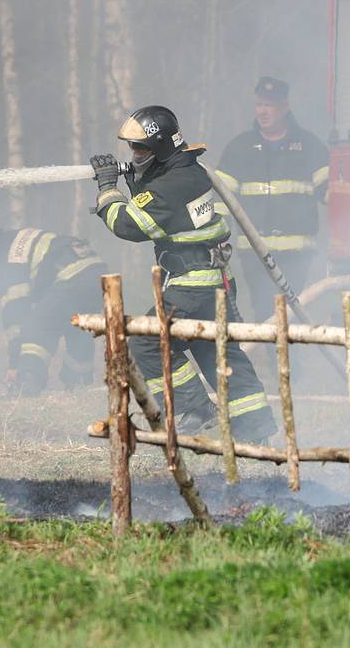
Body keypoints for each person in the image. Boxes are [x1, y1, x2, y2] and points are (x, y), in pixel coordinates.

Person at [90, 104, 277, 443]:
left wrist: (107, 191)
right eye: (132, 148)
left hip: (193, 284)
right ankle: (255, 427)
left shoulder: (172, 186)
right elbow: (167, 215)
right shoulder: (188, 173)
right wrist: (136, 183)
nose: (134, 153)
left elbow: (129, 224)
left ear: (160, 147)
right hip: (215, 279)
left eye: (141, 147)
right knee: (218, 352)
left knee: (148, 342)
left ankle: (194, 410)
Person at [215, 77, 329, 319]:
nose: (262, 111)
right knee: (265, 314)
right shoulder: (239, 148)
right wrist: (216, 238)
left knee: (294, 314)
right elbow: (221, 199)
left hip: (297, 256)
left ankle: (291, 357)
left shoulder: (309, 146)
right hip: (256, 255)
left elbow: (329, 192)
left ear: (285, 107)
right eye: (259, 105)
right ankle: (273, 356)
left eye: (269, 105)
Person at [0, 224, 105, 394]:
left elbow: (15, 313)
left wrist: (14, 364)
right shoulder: (11, 239)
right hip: (97, 272)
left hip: (71, 276)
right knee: (77, 329)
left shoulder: (0, 257)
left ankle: (28, 381)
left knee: (36, 327)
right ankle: (78, 385)